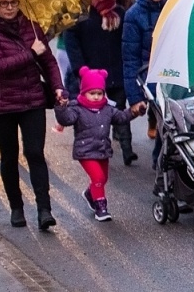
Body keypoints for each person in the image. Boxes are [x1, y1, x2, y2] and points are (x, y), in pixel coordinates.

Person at [0, 0, 66, 230]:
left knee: (35, 153)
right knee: (9, 155)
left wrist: (58, 87)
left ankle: (44, 210)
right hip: (0, 103)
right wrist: (30, 52)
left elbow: (48, 60)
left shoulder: (32, 27)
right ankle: (16, 207)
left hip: (32, 99)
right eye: (4, 3)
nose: (10, 7)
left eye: (14, 2)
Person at [53, 67, 146, 222]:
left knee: (103, 179)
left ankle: (90, 194)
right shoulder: (77, 108)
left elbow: (121, 118)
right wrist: (61, 107)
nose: (96, 97)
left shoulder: (107, 109)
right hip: (85, 151)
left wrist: (134, 112)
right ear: (84, 93)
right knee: (97, 177)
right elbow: (66, 119)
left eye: (99, 93)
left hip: (102, 149)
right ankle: (101, 207)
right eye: (92, 93)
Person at [64, 0, 136, 166]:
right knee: (94, 116)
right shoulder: (82, 15)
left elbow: (127, 41)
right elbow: (72, 44)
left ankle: (127, 151)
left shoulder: (120, 13)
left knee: (120, 110)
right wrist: (81, 69)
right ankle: (96, 150)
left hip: (117, 72)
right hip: (92, 77)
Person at [122, 0, 172, 169]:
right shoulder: (133, 15)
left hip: (176, 72)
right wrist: (135, 97)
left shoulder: (175, 5)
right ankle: (160, 161)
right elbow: (130, 57)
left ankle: (170, 158)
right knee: (165, 121)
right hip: (150, 76)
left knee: (179, 119)